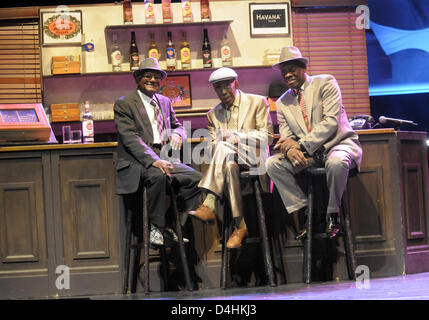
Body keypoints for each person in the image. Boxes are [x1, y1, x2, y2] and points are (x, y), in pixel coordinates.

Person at [265, 46, 362, 240]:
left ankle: (333, 215)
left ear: (303, 67)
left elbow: (331, 122)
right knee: (272, 164)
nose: (288, 74)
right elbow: (287, 136)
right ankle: (307, 212)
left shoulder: (325, 82)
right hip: (310, 156)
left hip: (337, 145)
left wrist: (299, 146)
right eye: (284, 71)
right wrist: (289, 149)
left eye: (292, 69)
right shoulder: (283, 102)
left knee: (336, 163)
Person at [114, 57, 202, 247]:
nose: (153, 80)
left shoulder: (164, 101)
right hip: (137, 161)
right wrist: (154, 160)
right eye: (148, 76)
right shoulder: (125, 104)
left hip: (164, 157)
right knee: (159, 177)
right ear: (138, 79)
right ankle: (154, 227)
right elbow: (130, 137)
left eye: (156, 77)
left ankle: (171, 222)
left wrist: (178, 135)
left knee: (198, 179)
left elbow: (178, 126)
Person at [188, 67, 273, 248]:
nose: (223, 91)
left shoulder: (257, 102)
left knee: (223, 147)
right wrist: (221, 142)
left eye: (227, 86)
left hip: (254, 159)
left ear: (236, 83)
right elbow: (212, 149)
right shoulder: (212, 114)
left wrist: (237, 136)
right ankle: (240, 226)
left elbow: (268, 138)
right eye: (218, 88)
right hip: (229, 160)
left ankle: (209, 202)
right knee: (228, 165)